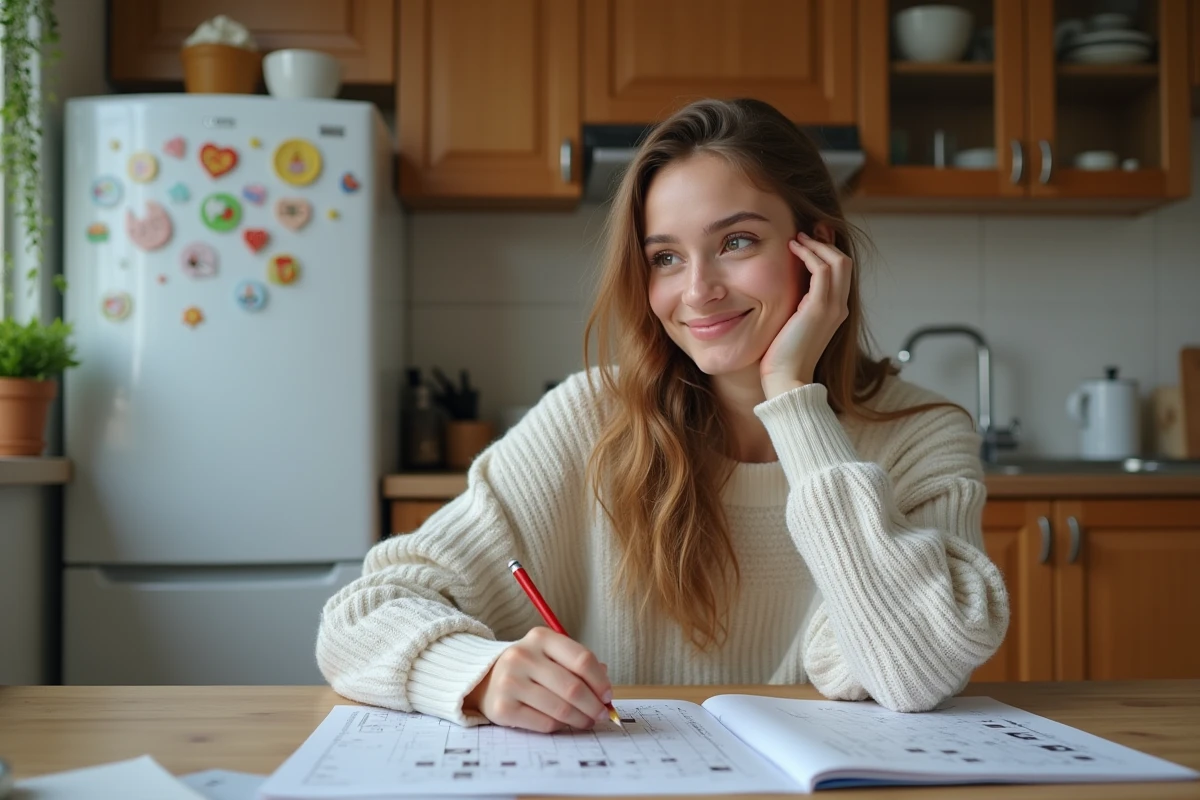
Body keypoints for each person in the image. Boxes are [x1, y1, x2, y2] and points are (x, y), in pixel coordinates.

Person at [316, 98, 1009, 733]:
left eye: (736, 241)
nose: (699, 291)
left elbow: (914, 670)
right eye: (666, 258)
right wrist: (479, 674)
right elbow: (360, 616)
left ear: (818, 250)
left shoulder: (921, 434)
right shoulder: (590, 418)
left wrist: (790, 396)